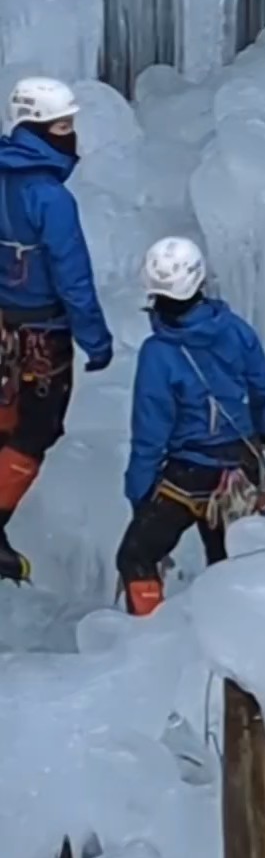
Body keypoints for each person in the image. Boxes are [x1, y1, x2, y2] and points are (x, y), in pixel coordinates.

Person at [116, 236, 265, 616]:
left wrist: (139, 491)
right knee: (231, 568)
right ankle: (235, 655)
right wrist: (263, 435)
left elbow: (150, 430)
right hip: (241, 465)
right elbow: (263, 386)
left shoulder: (159, 353)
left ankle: (146, 636)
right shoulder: (236, 330)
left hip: (188, 474)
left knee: (137, 557)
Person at [0, 77, 113, 584]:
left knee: (5, 420)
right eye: (63, 125)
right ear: (38, 128)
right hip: (42, 330)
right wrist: (96, 339)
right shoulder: (49, 196)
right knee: (37, 428)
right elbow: (73, 274)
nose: (71, 135)